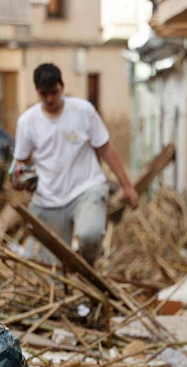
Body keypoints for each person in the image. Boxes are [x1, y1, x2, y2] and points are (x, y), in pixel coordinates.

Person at [14, 63, 137, 265]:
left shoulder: (83, 111)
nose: (50, 99)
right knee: (49, 263)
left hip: (86, 189)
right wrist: (20, 179)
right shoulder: (27, 122)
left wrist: (127, 186)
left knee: (90, 235)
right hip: (48, 199)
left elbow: (105, 148)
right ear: (37, 92)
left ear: (62, 86)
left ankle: (87, 266)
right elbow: (22, 162)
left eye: (54, 92)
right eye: (44, 94)